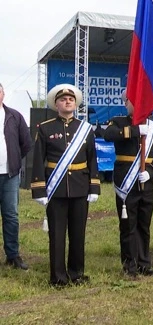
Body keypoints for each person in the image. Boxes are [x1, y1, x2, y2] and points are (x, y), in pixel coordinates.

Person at [31, 84, 101, 287]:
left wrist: (94, 186)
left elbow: (92, 159)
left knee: (78, 233)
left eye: (71, 99)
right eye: (63, 99)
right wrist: (39, 189)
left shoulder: (85, 129)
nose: (67, 101)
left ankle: (77, 273)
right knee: (57, 234)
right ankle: (58, 277)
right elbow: (38, 160)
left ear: (76, 103)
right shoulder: (45, 128)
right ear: (56, 104)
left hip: (80, 186)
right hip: (56, 188)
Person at [103, 90, 153, 277]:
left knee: (144, 224)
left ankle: (144, 263)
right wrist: (134, 130)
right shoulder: (119, 121)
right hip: (126, 181)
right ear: (126, 104)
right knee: (128, 225)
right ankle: (129, 265)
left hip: (146, 181)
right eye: (134, 101)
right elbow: (109, 134)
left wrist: (151, 170)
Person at [0, 83, 32, 270]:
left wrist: (12, 159)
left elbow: (26, 143)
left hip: (10, 175)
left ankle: (13, 255)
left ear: (3, 94)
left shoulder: (14, 116)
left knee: (11, 215)